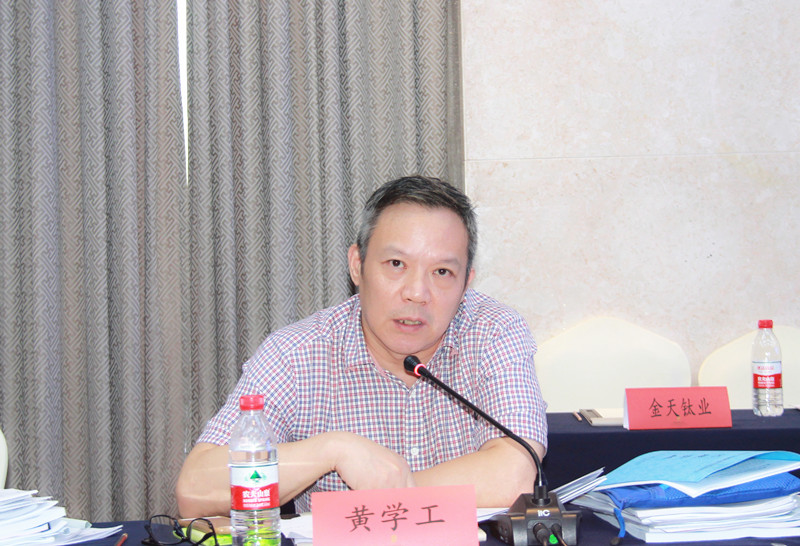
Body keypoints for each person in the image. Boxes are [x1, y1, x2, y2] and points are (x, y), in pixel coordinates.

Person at [176, 175, 547, 517]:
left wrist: (384, 499)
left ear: (466, 283)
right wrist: (332, 450)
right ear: (357, 265)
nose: (416, 293)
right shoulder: (297, 353)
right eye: (396, 263)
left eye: (442, 272)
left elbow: (514, 475)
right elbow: (195, 489)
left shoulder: (493, 332)